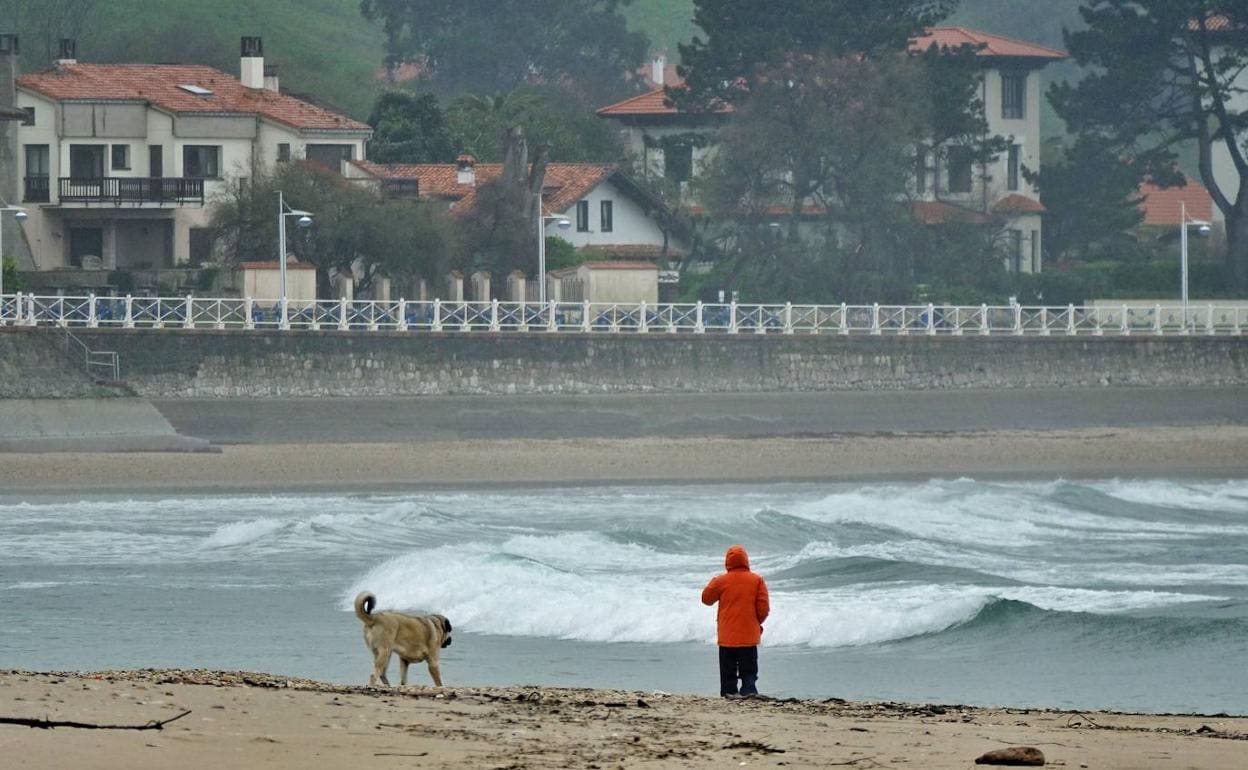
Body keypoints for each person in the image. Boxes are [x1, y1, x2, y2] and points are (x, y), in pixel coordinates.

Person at [701, 544, 770, 697]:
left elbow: (706, 599)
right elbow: (763, 608)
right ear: (746, 560)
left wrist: (714, 581)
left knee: (728, 671)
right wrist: (756, 622)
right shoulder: (757, 580)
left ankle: (729, 692)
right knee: (749, 669)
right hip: (749, 635)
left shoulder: (721, 581)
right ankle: (749, 690)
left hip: (727, 636)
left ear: (728, 562)